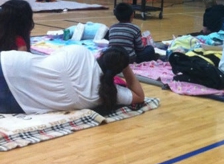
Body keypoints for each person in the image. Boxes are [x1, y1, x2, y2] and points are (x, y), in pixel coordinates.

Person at [0, 45, 145, 114]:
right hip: (16, 103)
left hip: (10, 64)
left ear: (101, 54)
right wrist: (126, 67)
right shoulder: (105, 95)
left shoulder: (81, 52)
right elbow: (139, 96)